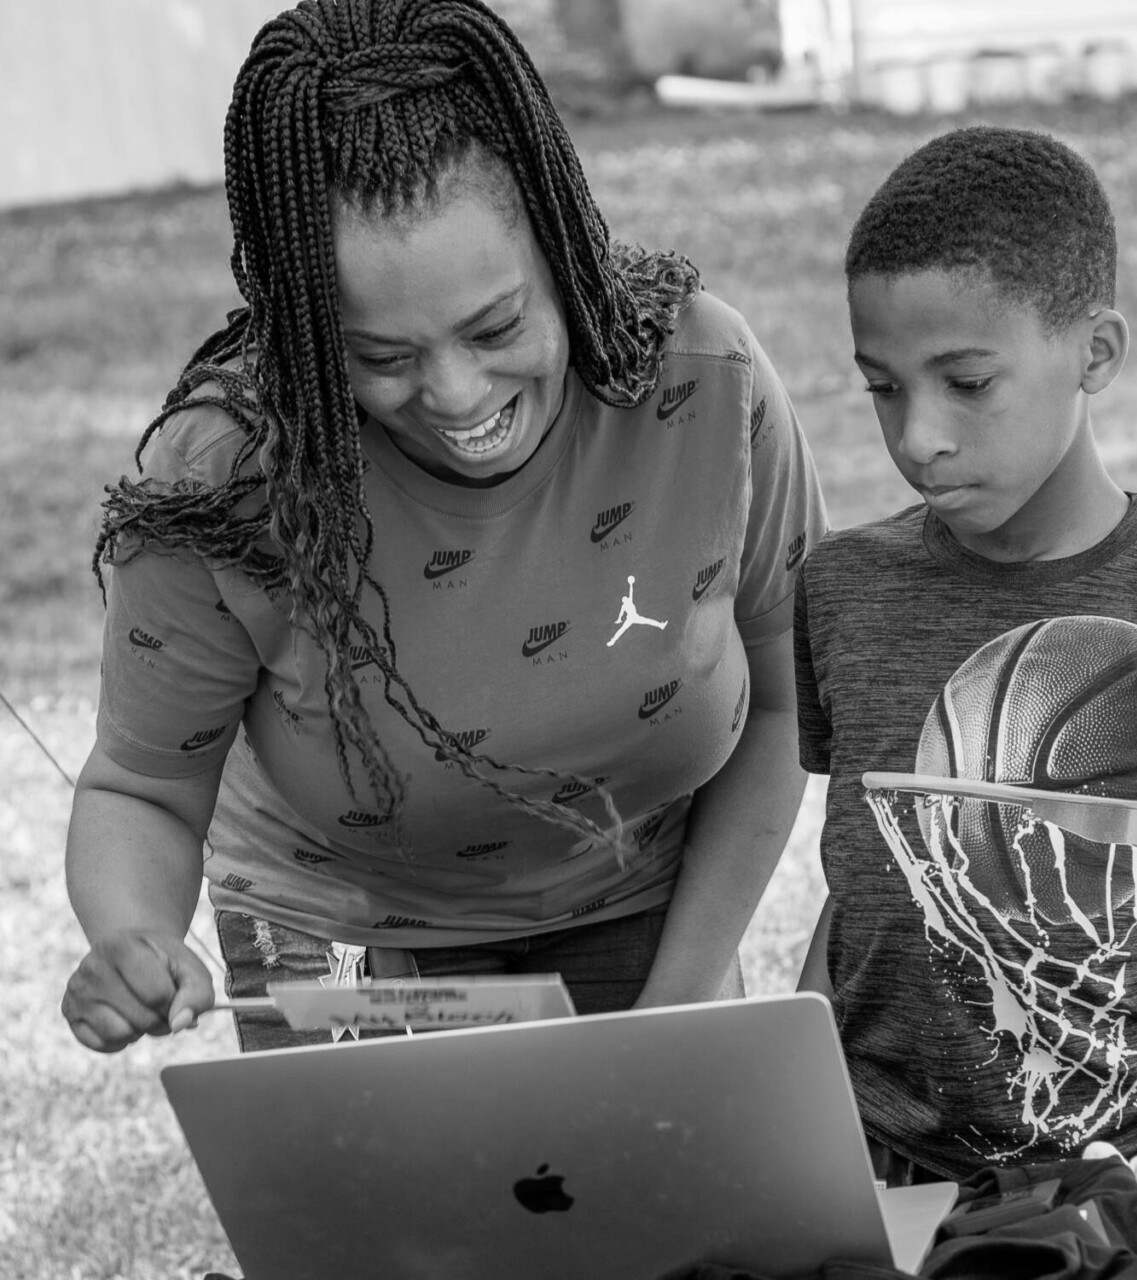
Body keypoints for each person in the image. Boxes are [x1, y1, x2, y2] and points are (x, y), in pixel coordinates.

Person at [60, 0, 826, 1054]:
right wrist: (134, 936)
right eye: (379, 356)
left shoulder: (701, 385)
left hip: (647, 918)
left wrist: (683, 993)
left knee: (666, 1220)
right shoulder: (222, 478)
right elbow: (141, 784)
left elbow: (786, 698)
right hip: (338, 941)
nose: (458, 396)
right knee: (405, 1227)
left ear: (559, 243)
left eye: (497, 325)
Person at [794, 123, 1137, 1185]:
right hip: (887, 1166)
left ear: (1094, 352)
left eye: (964, 380)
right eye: (882, 386)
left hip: (1127, 1175)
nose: (917, 438)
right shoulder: (840, 588)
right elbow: (862, 881)